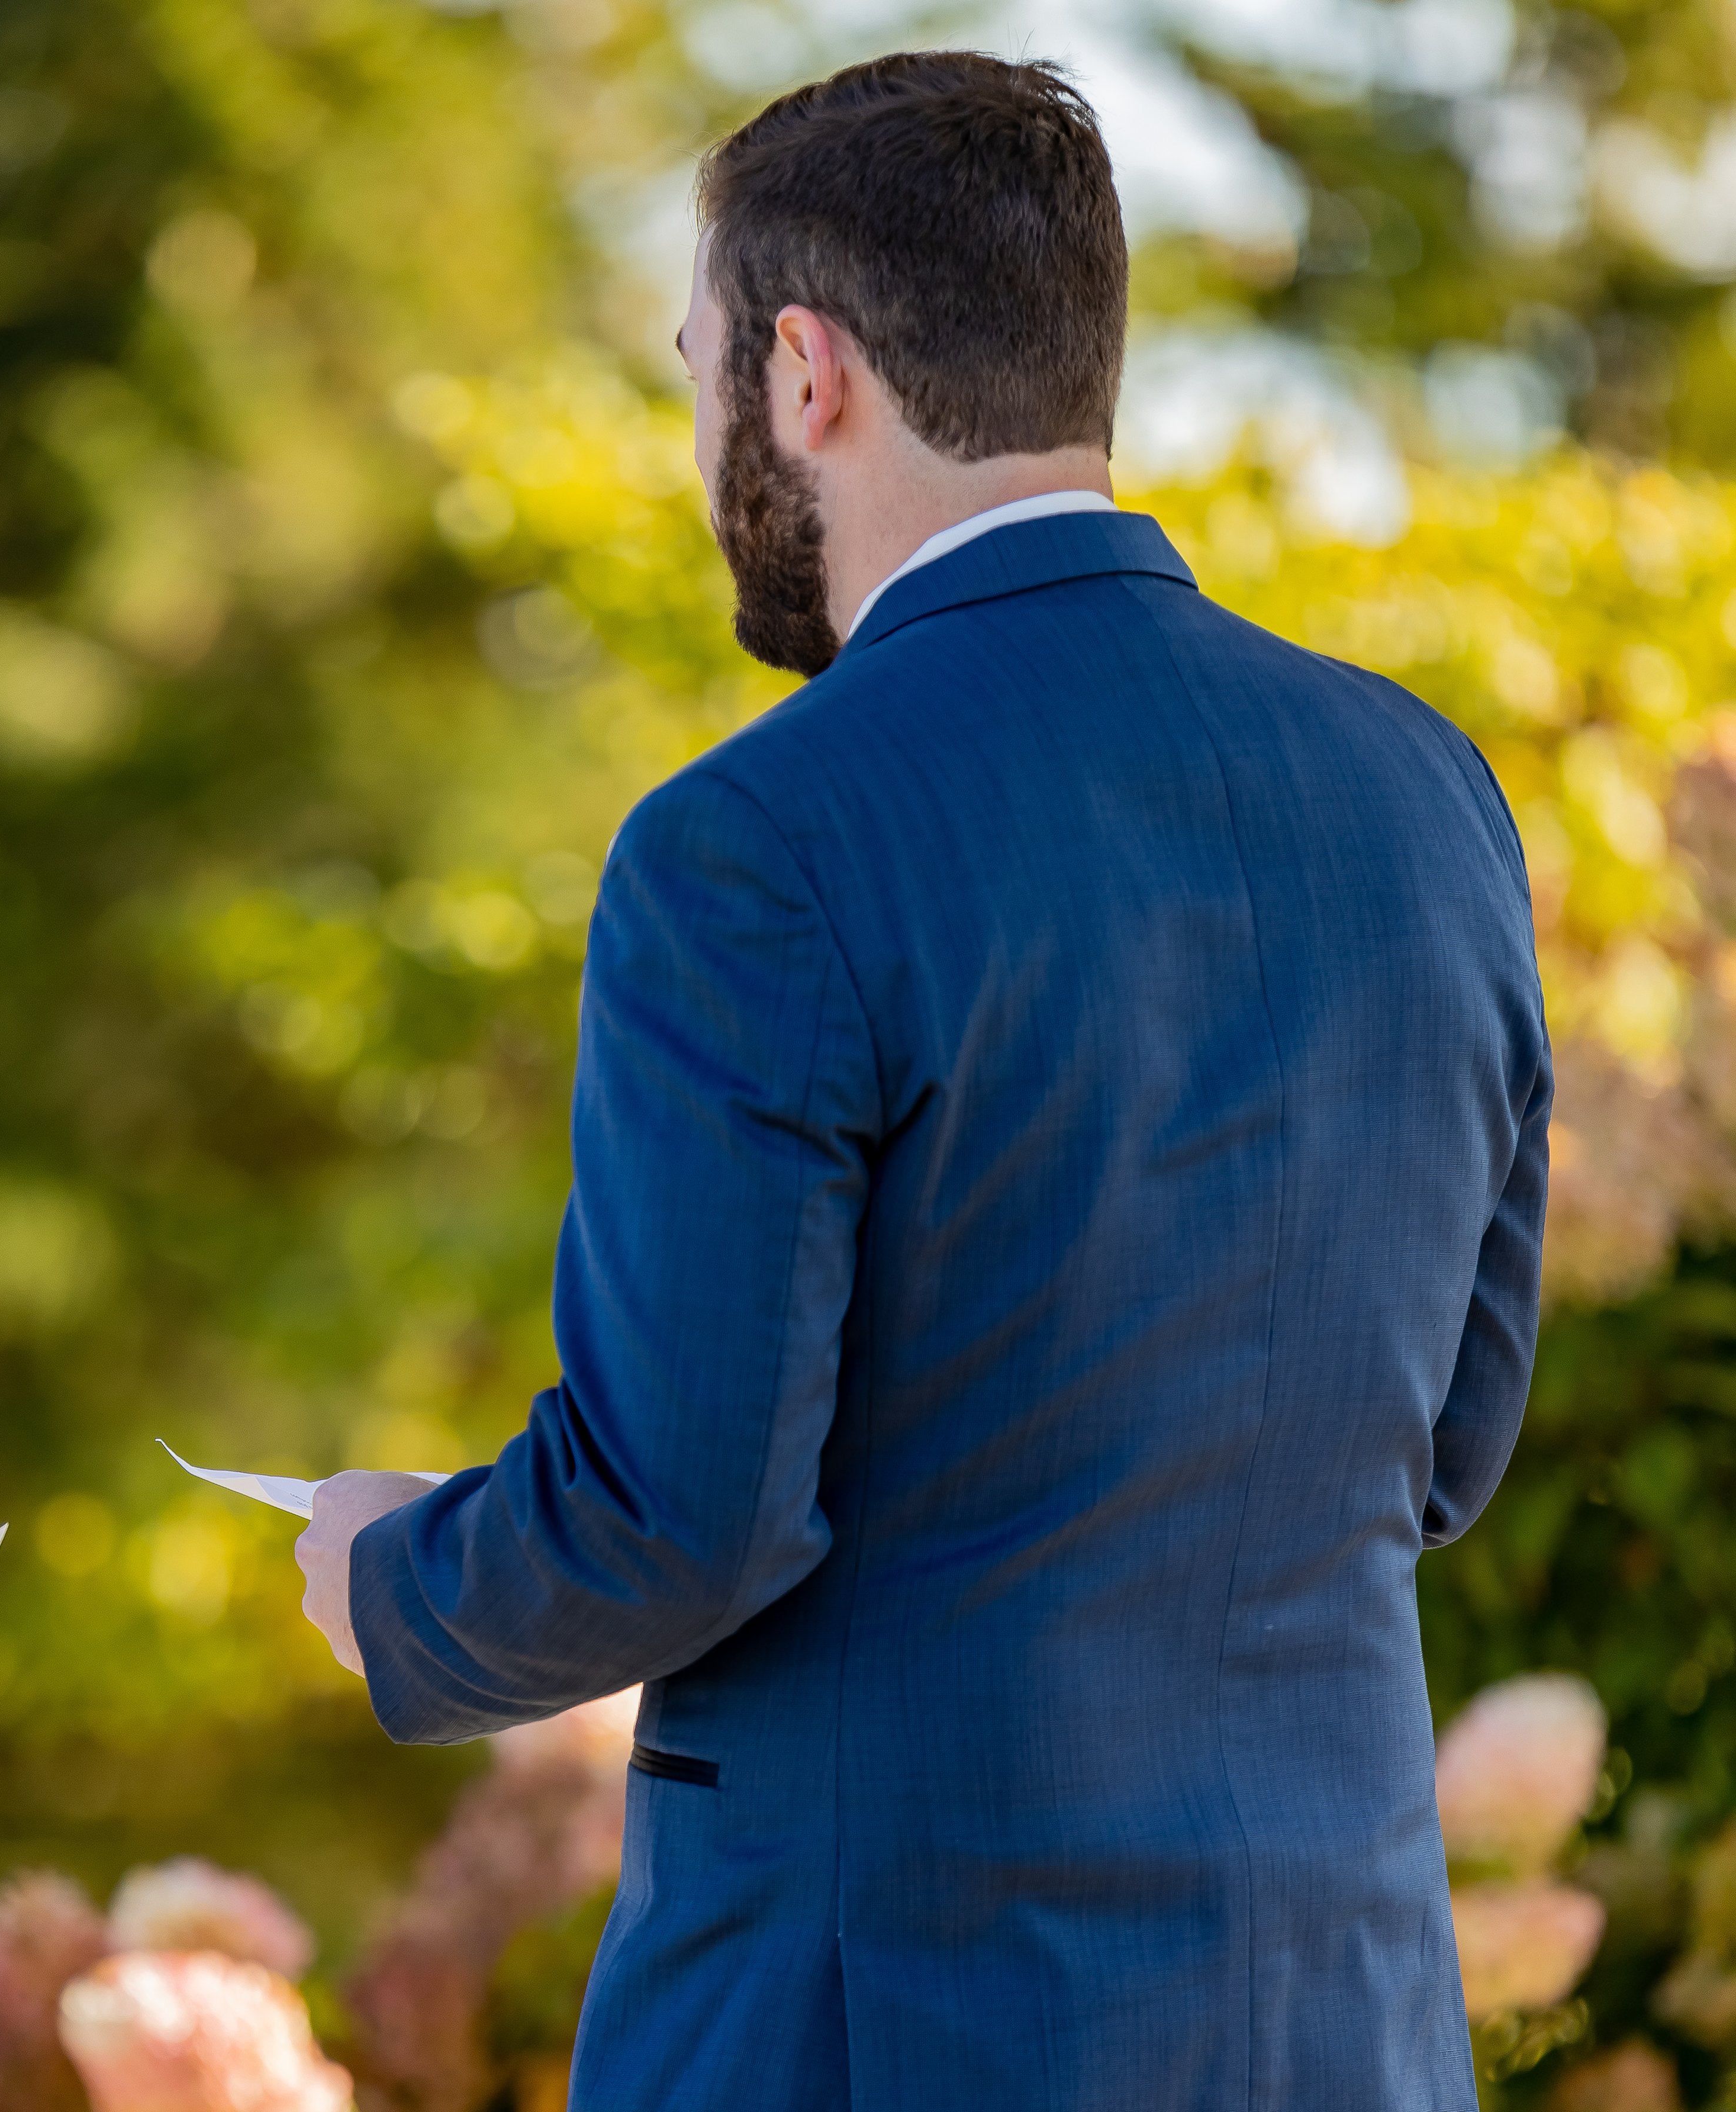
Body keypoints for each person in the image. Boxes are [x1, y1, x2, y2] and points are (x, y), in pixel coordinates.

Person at [292, 52, 1547, 2111]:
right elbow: (1445, 1447)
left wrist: (392, 1578)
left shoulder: (756, 842)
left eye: (696, 363)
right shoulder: (1433, 799)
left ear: (805, 372)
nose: (704, 425)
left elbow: (673, 1523)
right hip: (1344, 2029)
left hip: (892, 2038)